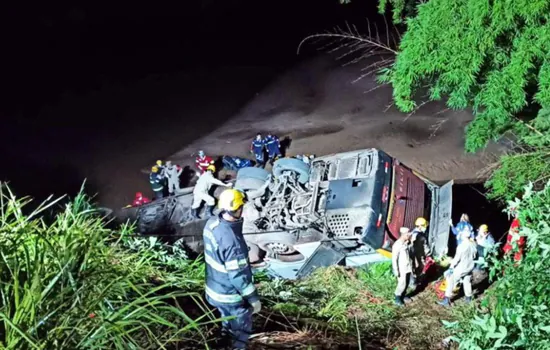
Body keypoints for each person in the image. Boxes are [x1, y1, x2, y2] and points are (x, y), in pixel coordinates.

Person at [202, 189, 261, 349]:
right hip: (229, 296)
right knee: (241, 329)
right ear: (238, 209)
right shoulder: (232, 243)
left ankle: (224, 339)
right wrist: (253, 299)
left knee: (226, 320)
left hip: (214, 289)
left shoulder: (212, 224)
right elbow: (238, 276)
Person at [439, 230, 478, 306]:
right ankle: (468, 298)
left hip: (462, 267)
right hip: (470, 266)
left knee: (451, 279)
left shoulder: (461, 246)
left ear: (463, 236)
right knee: (467, 281)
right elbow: (475, 256)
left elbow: (457, 259)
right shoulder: (474, 244)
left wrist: (451, 267)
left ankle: (447, 300)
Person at [392, 227, 414, 306]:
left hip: (408, 266)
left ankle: (403, 295)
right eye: (407, 234)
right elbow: (394, 258)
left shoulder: (406, 243)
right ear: (403, 234)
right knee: (402, 283)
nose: (409, 235)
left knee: (407, 282)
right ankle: (397, 298)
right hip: (401, 268)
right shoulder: (397, 245)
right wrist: (396, 270)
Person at [410, 217, 433, 288]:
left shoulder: (415, 233)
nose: (425, 228)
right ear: (420, 226)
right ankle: (414, 284)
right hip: (417, 256)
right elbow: (423, 247)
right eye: (424, 226)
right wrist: (428, 254)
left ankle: (416, 281)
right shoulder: (417, 236)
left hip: (416, 255)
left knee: (417, 268)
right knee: (416, 269)